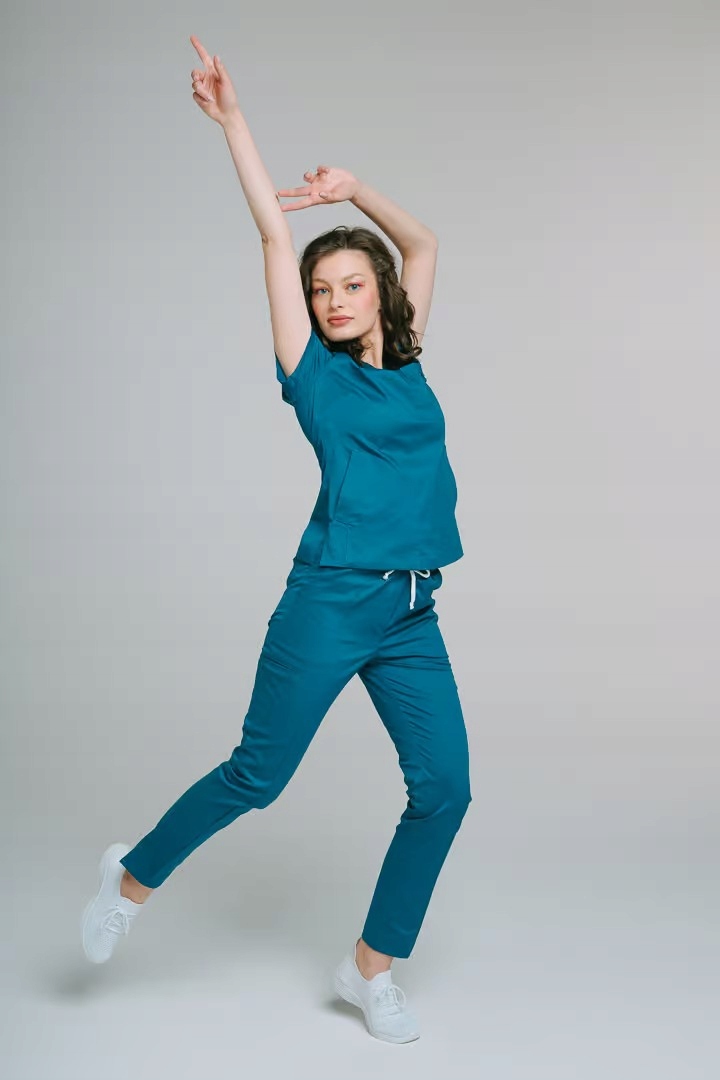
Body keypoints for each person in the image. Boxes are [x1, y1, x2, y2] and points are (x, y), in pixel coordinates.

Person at [81, 35, 472, 1045]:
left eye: (350, 285)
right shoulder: (315, 376)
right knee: (258, 775)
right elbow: (269, 231)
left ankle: (369, 969)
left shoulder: (409, 358)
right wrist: (233, 121)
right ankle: (130, 880)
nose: (333, 301)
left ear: (379, 292)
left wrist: (357, 189)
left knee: (444, 790)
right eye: (320, 290)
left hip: (412, 608)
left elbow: (425, 245)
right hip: (330, 601)